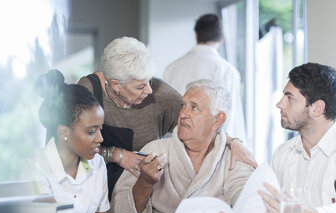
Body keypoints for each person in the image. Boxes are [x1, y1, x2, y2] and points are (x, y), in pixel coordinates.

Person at [78, 36, 257, 199]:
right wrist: (117, 155)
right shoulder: (88, 91)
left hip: (138, 184)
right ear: (116, 85)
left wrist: (234, 142)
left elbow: (200, 125)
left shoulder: (160, 94)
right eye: (140, 86)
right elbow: (71, 145)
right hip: (91, 184)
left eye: (150, 81)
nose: (149, 90)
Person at [30, 75, 175, 213]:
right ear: (64, 132)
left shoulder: (97, 163)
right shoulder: (34, 169)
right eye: (92, 131)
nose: (100, 138)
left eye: (100, 129)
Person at [111, 80, 253, 213]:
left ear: (218, 120)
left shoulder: (234, 156)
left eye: (194, 107)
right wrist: (144, 183)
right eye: (183, 106)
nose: (183, 114)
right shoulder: (153, 151)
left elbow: (246, 197)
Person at [258, 63, 336, 213]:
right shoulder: (282, 154)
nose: (279, 104)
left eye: (289, 98)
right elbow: (269, 211)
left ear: (317, 108)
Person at [163, 14, 246, 140]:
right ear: (222, 38)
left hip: (175, 141)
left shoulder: (172, 67)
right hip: (211, 145)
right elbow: (230, 118)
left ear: (196, 34)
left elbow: (165, 112)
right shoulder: (227, 70)